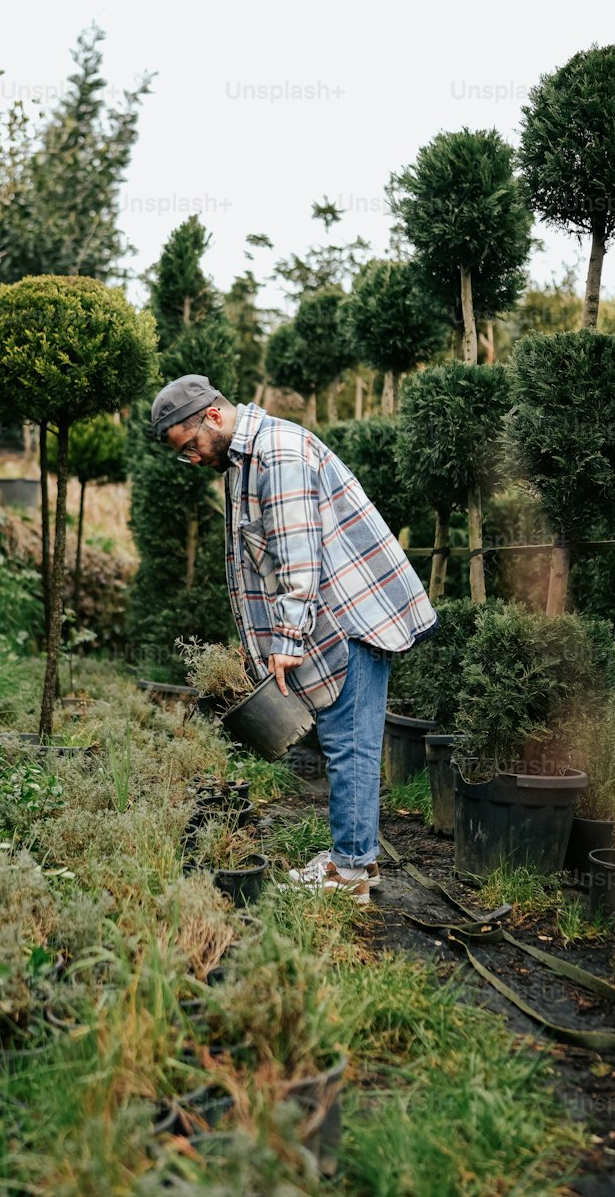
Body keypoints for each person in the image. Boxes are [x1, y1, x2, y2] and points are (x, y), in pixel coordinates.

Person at [151, 373, 438, 904]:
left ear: (213, 417)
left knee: (350, 744)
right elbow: (255, 564)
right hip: (327, 615)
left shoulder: (276, 455)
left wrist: (285, 639)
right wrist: (253, 642)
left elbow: (299, 560)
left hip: (351, 616)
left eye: (190, 446)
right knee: (342, 742)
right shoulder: (242, 460)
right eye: (182, 453)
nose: (192, 459)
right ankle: (354, 857)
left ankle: (350, 875)